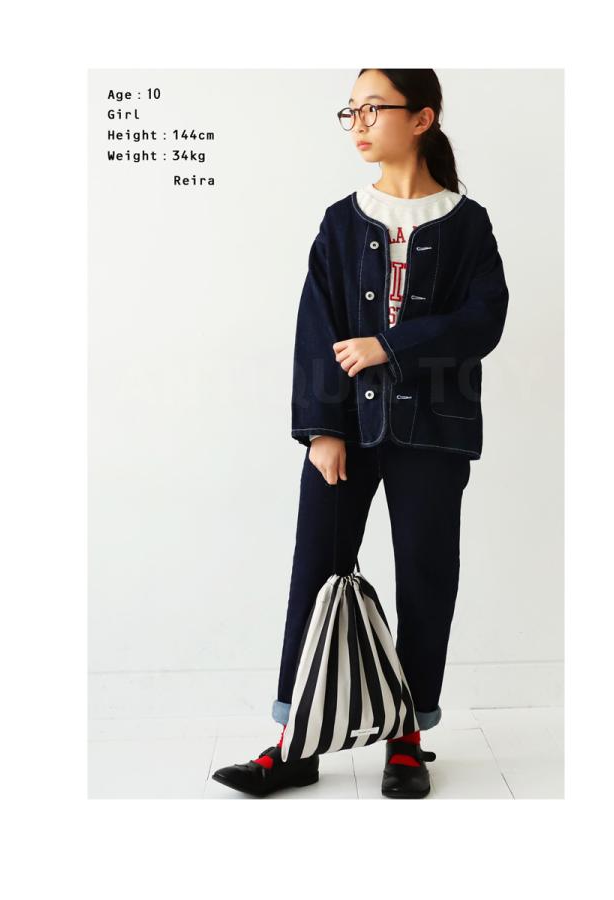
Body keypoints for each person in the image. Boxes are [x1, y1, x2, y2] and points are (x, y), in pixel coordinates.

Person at [211, 68, 509, 799]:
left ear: (423, 118)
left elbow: (483, 321)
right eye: (351, 110)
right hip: (346, 430)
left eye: (373, 108)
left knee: (426, 578)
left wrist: (390, 346)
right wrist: (321, 429)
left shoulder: (468, 224)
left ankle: (407, 738)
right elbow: (316, 324)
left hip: (435, 432)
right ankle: (296, 740)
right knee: (316, 572)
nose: (359, 123)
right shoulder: (342, 221)